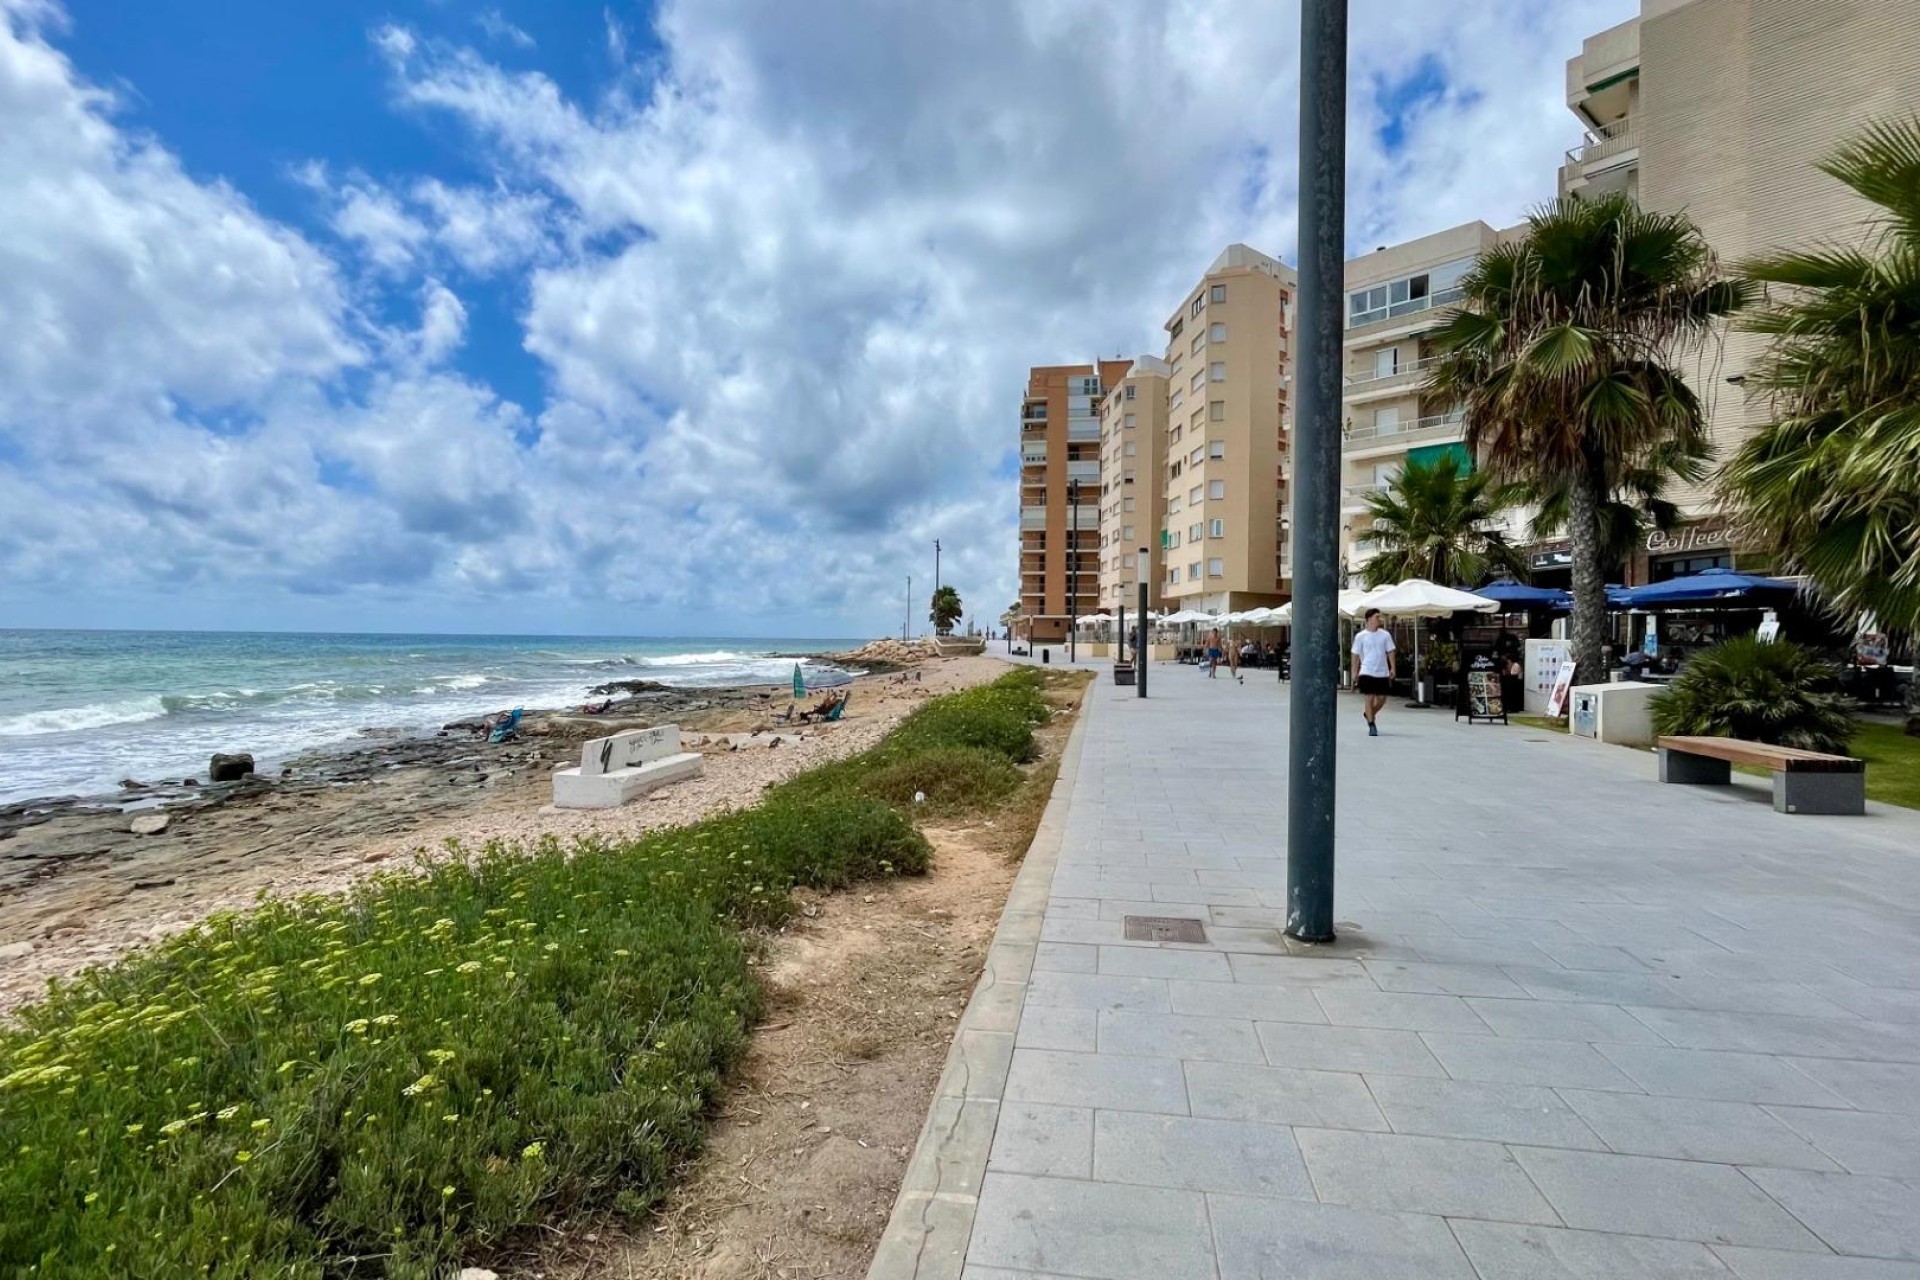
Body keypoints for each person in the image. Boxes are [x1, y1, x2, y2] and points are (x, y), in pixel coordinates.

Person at [1351, 608, 1396, 737]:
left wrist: (1393, 667)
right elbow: (1355, 655)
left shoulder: (1385, 635)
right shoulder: (1361, 636)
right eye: (1377, 617)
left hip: (1382, 672)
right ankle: (1372, 725)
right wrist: (1355, 671)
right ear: (1369, 619)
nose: (1379, 619)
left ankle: (1369, 714)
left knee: (1382, 699)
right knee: (1369, 698)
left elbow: (1391, 651)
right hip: (1367, 670)